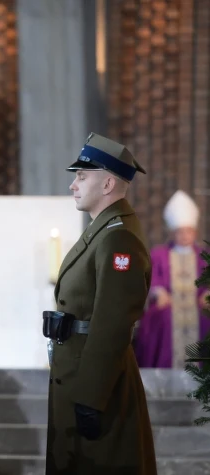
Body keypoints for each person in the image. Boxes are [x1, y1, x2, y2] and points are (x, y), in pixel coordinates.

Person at [43, 132, 156, 474]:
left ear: (107, 184)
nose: (73, 185)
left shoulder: (118, 237)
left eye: (81, 176)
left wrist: (91, 398)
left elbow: (113, 323)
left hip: (95, 386)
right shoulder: (103, 230)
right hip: (79, 376)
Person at [134, 190, 210, 368]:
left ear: (195, 232)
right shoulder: (159, 254)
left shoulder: (204, 255)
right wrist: (159, 291)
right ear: (172, 232)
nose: (184, 236)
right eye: (180, 232)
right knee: (163, 319)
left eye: (188, 231)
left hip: (197, 303)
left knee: (205, 319)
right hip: (169, 302)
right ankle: (163, 373)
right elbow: (152, 277)